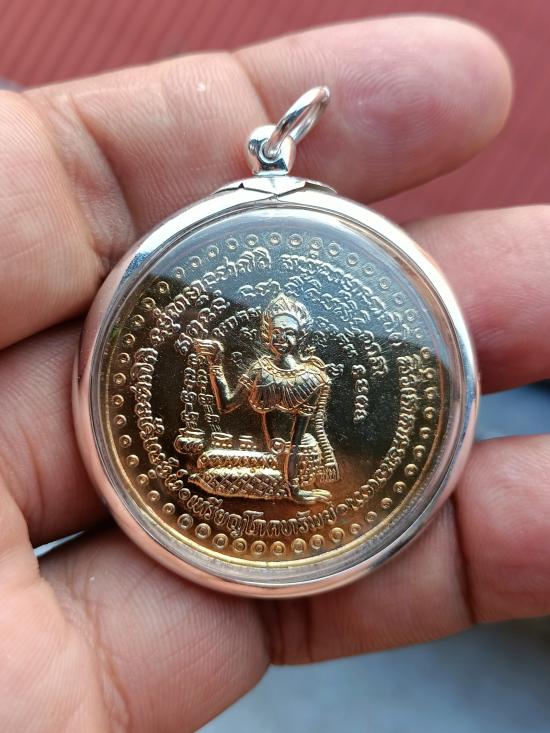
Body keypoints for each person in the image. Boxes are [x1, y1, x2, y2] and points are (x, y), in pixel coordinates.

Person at [0, 12, 547, 732]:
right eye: (271, 329)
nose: (279, 337)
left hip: (306, 459)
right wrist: (209, 367)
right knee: (220, 457)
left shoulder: (314, 372)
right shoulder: (259, 363)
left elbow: (301, 415)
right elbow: (235, 403)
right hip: (262, 455)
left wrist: (287, 423)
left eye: (287, 330)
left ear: (303, 332)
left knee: (279, 463)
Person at [194, 293, 338, 504]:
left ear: (300, 337)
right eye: (276, 332)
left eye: (289, 333)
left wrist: (295, 490)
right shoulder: (260, 369)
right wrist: (215, 363)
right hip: (269, 452)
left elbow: (298, 441)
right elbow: (226, 405)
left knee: (222, 475)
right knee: (211, 460)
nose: (281, 339)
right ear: (267, 335)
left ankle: (289, 485)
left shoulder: (312, 378)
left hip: (301, 456)